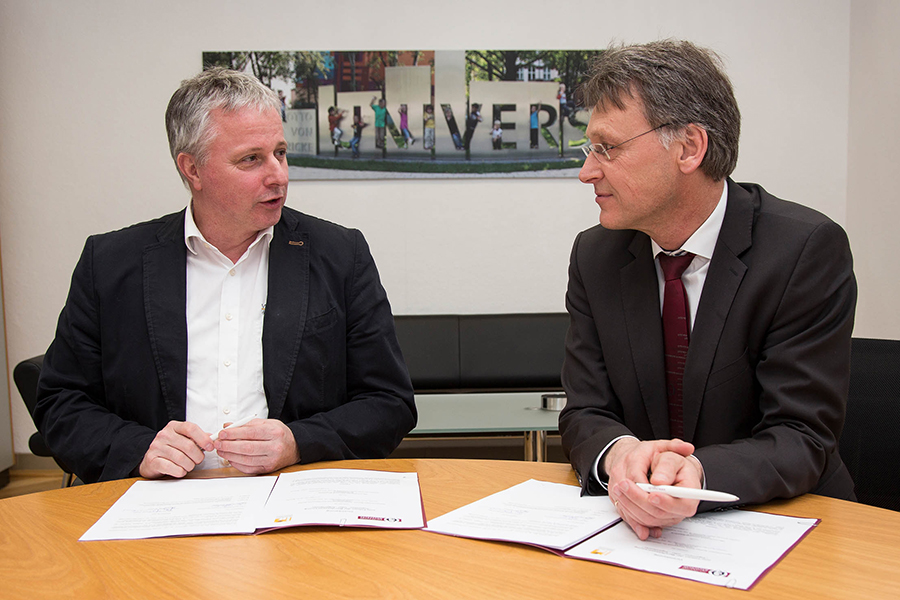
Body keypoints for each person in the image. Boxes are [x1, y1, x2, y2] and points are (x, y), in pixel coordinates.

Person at [34, 68, 417, 484]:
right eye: (251, 159)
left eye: (281, 153)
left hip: (293, 501)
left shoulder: (340, 255)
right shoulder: (110, 263)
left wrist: (299, 441)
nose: (279, 176)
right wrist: (135, 448)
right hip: (158, 502)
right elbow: (61, 402)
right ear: (192, 169)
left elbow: (390, 403)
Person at [559, 40, 856, 541]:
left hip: (782, 521)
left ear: (689, 148)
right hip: (639, 527)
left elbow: (802, 436)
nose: (587, 171)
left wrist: (699, 474)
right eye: (590, 149)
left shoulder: (803, 250)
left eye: (607, 148)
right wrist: (622, 453)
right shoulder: (597, 255)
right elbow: (586, 411)